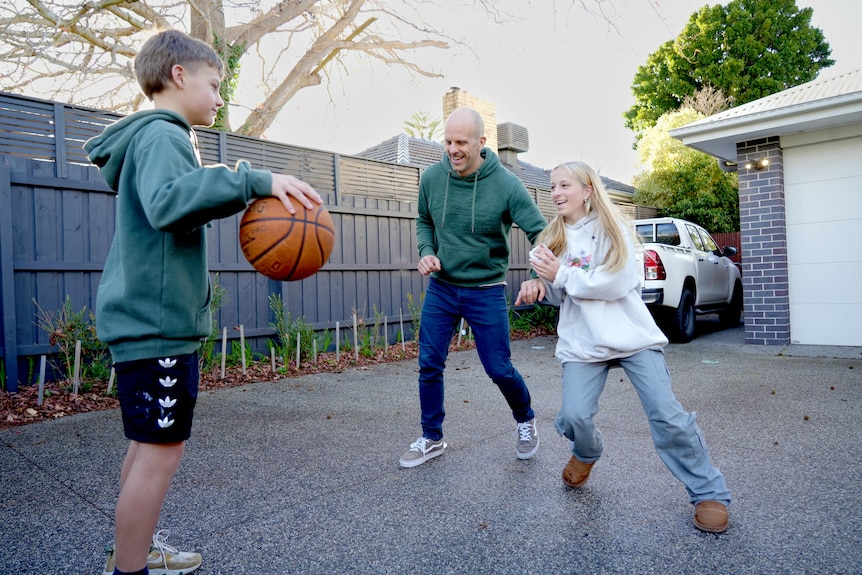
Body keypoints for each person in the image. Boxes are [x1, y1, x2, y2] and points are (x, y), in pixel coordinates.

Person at [85, 29, 322, 575]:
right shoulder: (162, 136)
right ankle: (130, 570)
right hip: (156, 326)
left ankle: (129, 552)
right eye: (215, 85)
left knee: (147, 447)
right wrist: (252, 180)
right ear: (178, 76)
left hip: (151, 323)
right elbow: (171, 204)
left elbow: (170, 206)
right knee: (161, 453)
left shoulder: (154, 139)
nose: (219, 98)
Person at [515, 161, 731, 533]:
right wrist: (539, 287)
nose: (556, 193)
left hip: (633, 338)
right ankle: (586, 452)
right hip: (583, 342)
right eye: (552, 187)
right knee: (574, 416)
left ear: (587, 190)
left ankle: (708, 492)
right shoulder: (551, 238)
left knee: (667, 415)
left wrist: (562, 275)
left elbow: (617, 282)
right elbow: (556, 289)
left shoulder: (616, 230)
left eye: (564, 185)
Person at [399, 107, 548, 468]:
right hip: (443, 288)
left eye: (461, 142)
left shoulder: (507, 184)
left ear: (481, 142)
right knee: (429, 363)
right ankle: (432, 437)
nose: (453, 149)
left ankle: (525, 419)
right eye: (448, 141)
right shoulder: (432, 178)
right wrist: (427, 252)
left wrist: (539, 275)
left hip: (486, 289)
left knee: (498, 368)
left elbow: (542, 231)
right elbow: (423, 221)